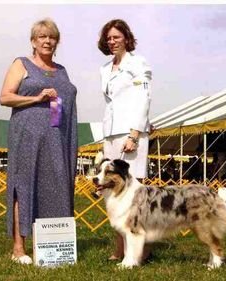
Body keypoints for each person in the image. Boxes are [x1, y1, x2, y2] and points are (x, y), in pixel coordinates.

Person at [0, 18, 78, 264]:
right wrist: (36, 98)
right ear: (33, 41)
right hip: (27, 135)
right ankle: (18, 249)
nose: (47, 41)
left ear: (57, 42)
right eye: (42, 36)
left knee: (53, 186)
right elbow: (4, 97)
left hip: (57, 137)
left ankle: (49, 246)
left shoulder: (62, 70)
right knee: (23, 184)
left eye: (52, 37)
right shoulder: (21, 64)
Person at [98, 19, 152, 262]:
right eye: (108, 38)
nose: (112, 42)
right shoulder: (105, 68)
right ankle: (120, 249)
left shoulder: (138, 63)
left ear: (126, 38)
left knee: (134, 199)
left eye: (116, 37)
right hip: (111, 133)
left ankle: (140, 251)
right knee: (115, 198)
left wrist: (134, 134)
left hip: (131, 134)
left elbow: (143, 99)